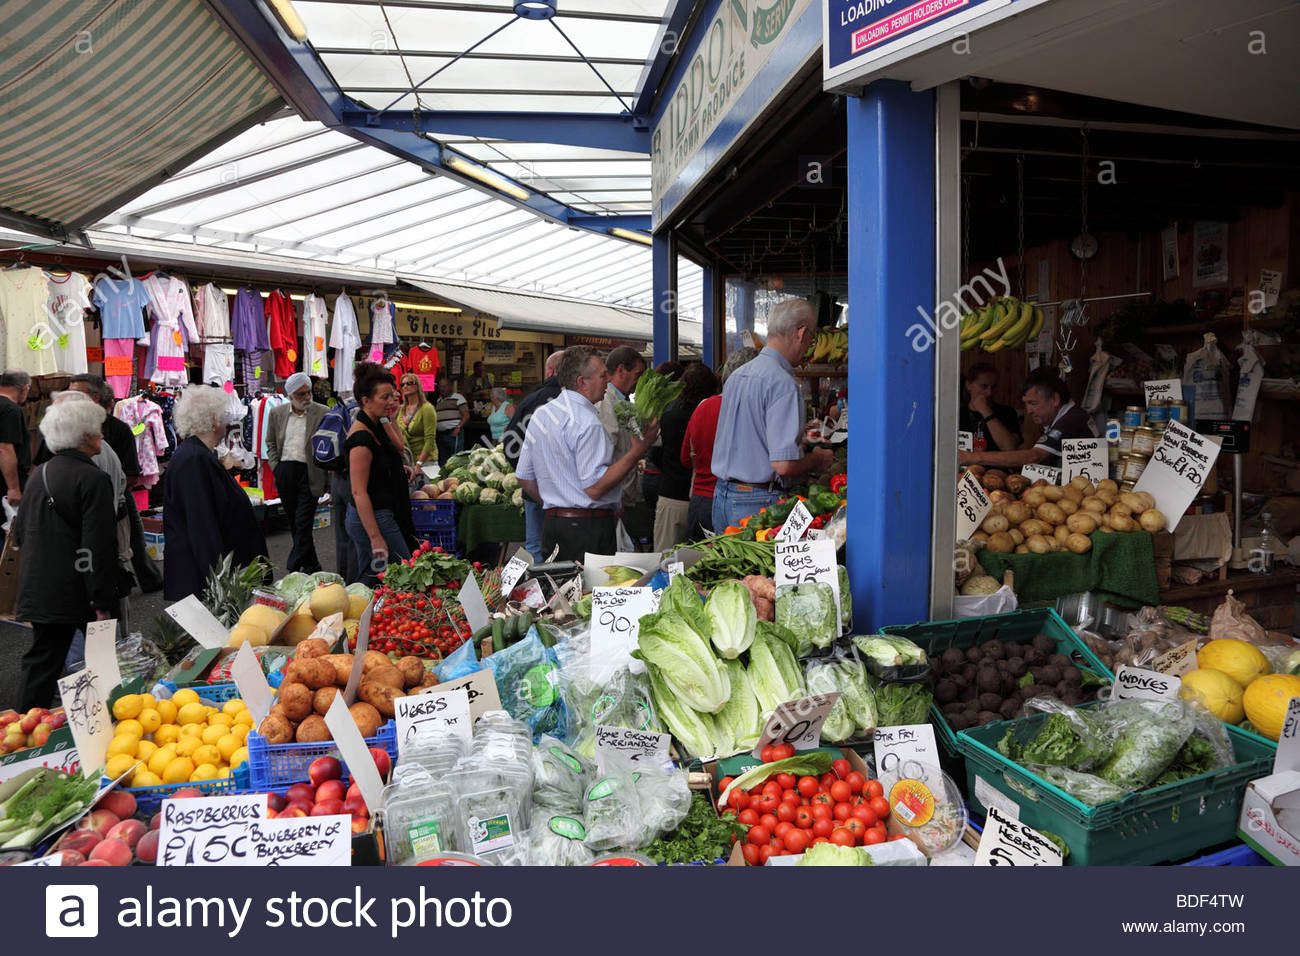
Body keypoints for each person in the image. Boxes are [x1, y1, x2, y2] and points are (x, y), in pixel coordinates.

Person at [13, 397, 118, 709]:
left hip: (39, 586)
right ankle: (106, 726)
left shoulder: (39, 474)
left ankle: (20, 734)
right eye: (98, 430)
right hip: (78, 590)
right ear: (85, 436)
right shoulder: (93, 479)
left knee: (42, 661)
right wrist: (101, 599)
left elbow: (21, 533)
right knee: (103, 663)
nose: (102, 435)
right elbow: (97, 544)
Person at [516, 347, 658, 561]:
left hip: (554, 524)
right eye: (603, 375)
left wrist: (559, 502)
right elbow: (594, 488)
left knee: (560, 590)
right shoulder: (587, 422)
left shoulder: (542, 414)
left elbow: (525, 477)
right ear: (582, 382)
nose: (608, 379)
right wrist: (638, 449)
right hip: (587, 528)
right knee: (589, 592)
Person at [711, 301, 835, 531]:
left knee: (728, 567)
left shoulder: (737, 376)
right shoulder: (783, 383)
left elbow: (750, 435)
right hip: (756, 502)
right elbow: (784, 466)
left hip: (721, 496)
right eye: (812, 338)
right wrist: (817, 459)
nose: (810, 345)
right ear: (801, 332)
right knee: (762, 569)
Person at [163, 386, 269, 601]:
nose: (227, 420)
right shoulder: (194, 459)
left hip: (213, 579)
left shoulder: (199, 455)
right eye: (223, 414)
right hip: (206, 584)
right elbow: (202, 527)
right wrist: (220, 584)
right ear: (213, 418)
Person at [345, 363, 417, 586]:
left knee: (381, 576)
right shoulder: (360, 439)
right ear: (366, 401)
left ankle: (367, 615)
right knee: (396, 573)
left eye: (392, 395)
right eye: (384, 397)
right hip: (373, 518)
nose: (391, 401)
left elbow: (398, 447)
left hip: (383, 512)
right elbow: (358, 493)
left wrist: (395, 470)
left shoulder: (377, 422)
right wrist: (376, 538)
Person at [683, 347, 759, 540]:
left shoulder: (702, 407)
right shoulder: (750, 410)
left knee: (700, 564)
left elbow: (685, 458)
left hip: (699, 500)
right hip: (735, 500)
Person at [958, 368, 1098, 469]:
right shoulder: (1069, 416)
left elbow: (1034, 456)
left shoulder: (1070, 421)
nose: (1029, 411)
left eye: (1033, 403)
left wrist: (973, 457)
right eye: (1026, 404)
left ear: (1055, 399)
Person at [502, 349, 565, 560]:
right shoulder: (578, 400)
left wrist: (529, 474)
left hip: (535, 490)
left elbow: (510, 443)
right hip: (569, 493)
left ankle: (539, 589)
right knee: (567, 549)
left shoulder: (532, 401)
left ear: (550, 371)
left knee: (536, 547)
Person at [266, 372, 328, 574]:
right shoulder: (277, 413)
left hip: (310, 473)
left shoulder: (323, 412)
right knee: (294, 522)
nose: (307, 397)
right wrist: (277, 467)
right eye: (301, 394)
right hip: (285, 471)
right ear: (291, 395)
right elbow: (271, 442)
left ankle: (292, 566)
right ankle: (312, 565)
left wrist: (328, 481)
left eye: (308, 392)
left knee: (303, 522)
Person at [654, 363, 717, 552]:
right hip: (703, 497)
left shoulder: (669, 411)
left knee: (665, 560)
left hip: (671, 495)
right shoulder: (709, 412)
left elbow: (659, 453)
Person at [595, 346, 649, 547]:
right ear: (620, 370)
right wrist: (614, 500)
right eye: (637, 374)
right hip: (613, 498)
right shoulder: (606, 402)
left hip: (622, 496)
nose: (639, 380)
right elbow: (605, 455)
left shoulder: (623, 402)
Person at [641, 360, 683, 521]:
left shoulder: (651, 401)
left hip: (649, 474)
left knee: (655, 526)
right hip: (662, 477)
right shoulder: (671, 406)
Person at [960, 362, 1022, 452]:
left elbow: (1010, 448)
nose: (989, 392)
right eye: (984, 386)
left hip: (997, 465)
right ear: (969, 385)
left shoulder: (1007, 412)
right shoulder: (958, 414)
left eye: (994, 387)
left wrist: (986, 411)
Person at [0, 369, 32, 512]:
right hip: (4, 484)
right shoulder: (10, 409)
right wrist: (13, 487)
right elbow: (5, 448)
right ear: (24, 388)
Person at [397, 372, 438, 467]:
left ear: (417, 386)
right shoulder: (401, 409)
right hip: (408, 460)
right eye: (402, 384)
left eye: (409, 383)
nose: (405, 386)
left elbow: (430, 439)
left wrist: (419, 463)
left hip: (426, 461)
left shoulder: (427, 408)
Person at [434, 376, 469, 465]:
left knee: (455, 459)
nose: (442, 389)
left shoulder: (458, 397)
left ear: (450, 387)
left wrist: (458, 427)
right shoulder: (439, 400)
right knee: (443, 461)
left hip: (453, 432)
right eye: (441, 387)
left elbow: (466, 415)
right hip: (441, 435)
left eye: (444, 386)